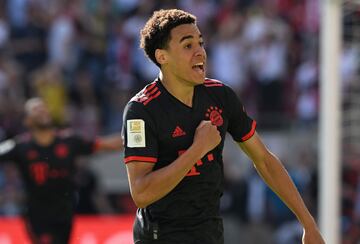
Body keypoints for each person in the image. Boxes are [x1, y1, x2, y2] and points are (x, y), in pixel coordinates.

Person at [122, 9, 325, 244]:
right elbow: (141, 193)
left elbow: (264, 160)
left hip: (210, 232)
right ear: (162, 56)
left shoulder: (220, 96)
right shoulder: (141, 110)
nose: (200, 51)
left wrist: (308, 224)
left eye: (201, 42)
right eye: (188, 45)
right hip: (160, 236)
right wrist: (197, 149)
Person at [0, 97, 123, 244]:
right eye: (35, 109)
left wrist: (137, 138)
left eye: (43, 107)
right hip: (38, 216)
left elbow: (103, 145)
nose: (41, 111)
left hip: (65, 214)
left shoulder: (69, 141)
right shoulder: (20, 146)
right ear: (27, 121)